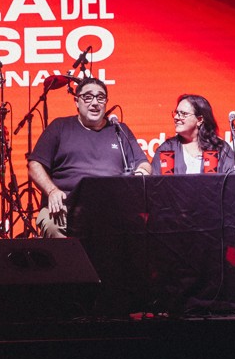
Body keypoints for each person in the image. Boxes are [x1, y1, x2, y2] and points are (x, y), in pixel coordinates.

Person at [27, 77, 151, 238]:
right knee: (52, 226)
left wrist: (139, 175)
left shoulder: (119, 130)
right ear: (76, 101)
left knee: (142, 228)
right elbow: (34, 164)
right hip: (66, 207)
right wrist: (52, 191)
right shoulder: (60, 127)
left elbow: (144, 164)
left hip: (111, 207)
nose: (94, 103)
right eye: (88, 97)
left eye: (100, 97)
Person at [151, 94, 235, 175]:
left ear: (199, 120)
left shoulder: (221, 149)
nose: (177, 117)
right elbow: (154, 184)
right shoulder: (167, 149)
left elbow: (233, 183)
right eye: (177, 113)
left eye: (184, 114)